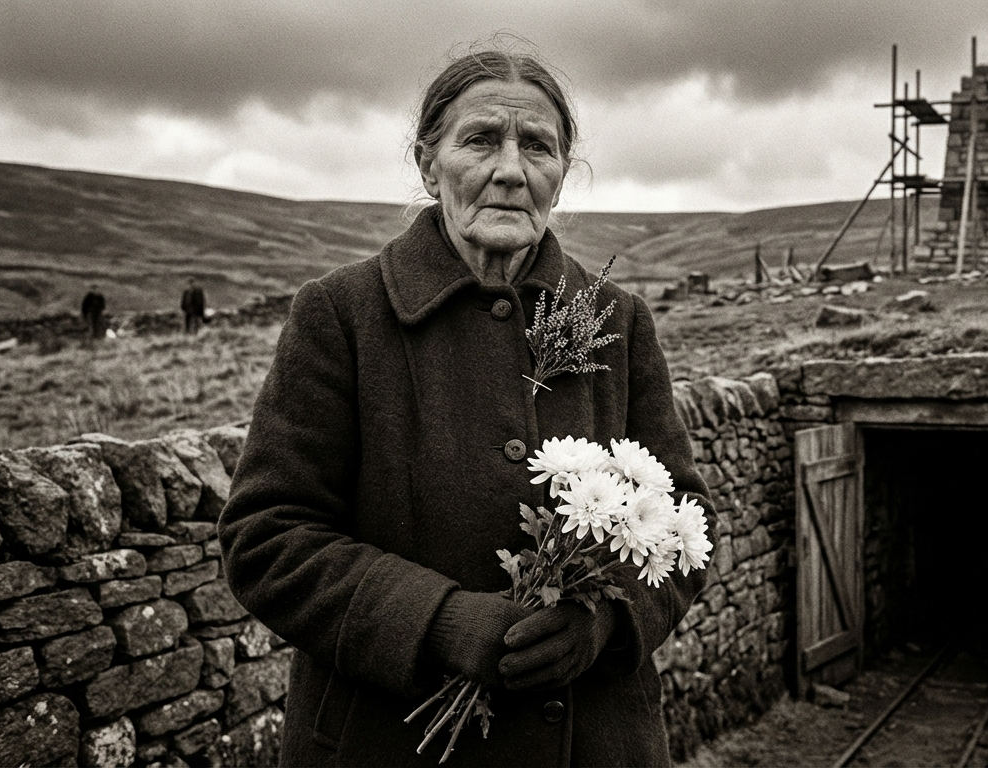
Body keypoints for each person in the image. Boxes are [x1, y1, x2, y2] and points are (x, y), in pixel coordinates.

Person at [219, 45, 712, 768]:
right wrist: (438, 624)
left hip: (596, 743)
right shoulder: (342, 315)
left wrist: (606, 620)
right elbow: (267, 538)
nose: (510, 170)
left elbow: (682, 521)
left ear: (561, 173)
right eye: (481, 139)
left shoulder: (616, 320)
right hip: (387, 741)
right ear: (428, 163)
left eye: (537, 146)